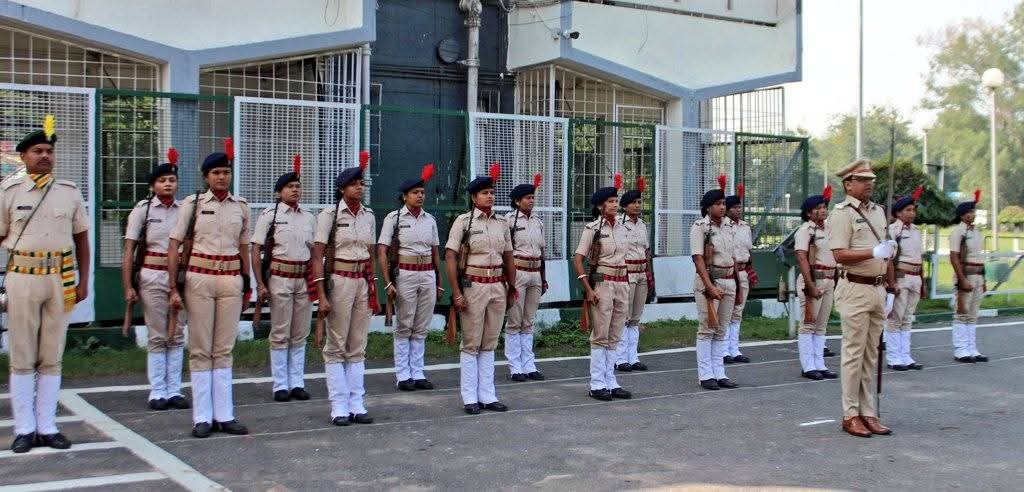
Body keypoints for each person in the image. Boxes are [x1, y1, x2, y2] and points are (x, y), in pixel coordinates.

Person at [2, 116, 90, 453]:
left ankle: (48, 426)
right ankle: (25, 428)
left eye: (49, 151)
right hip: (22, 277)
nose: (44, 156)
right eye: (37, 151)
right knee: (23, 354)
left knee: (52, 355)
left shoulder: (68, 192)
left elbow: (82, 239)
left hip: (60, 278)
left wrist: (83, 282)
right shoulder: (9, 192)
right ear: (23, 157)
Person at [168, 143, 252, 439]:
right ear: (206, 177)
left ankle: (225, 414)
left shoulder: (241, 206)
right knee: (201, 348)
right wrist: (172, 286)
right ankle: (202, 416)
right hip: (199, 278)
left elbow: (244, 246)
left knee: (224, 348)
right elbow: (174, 244)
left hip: (230, 277)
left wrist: (247, 282)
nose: (221, 178)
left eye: (226, 172)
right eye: (216, 173)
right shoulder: (192, 204)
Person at [828, 159, 896, 438]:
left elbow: (888, 252)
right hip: (854, 288)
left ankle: (869, 412)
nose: (869, 183)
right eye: (863, 179)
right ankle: (850, 413)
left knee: (872, 354)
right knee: (853, 354)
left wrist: (890, 286)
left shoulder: (879, 212)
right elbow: (839, 254)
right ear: (848, 184)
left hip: (877, 288)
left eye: (871, 179)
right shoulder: (841, 214)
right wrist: (872, 253)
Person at [445, 165, 516, 414]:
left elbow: (508, 255)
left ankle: (488, 395)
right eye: (485, 193)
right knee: (471, 342)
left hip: (497, 285)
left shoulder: (502, 223)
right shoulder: (463, 222)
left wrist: (512, 286)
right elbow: (451, 256)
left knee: (490, 342)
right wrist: (456, 292)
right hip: (473, 286)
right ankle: (469, 397)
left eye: (492, 192)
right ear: (474, 197)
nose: (490, 196)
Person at [123, 148, 190, 411]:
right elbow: (129, 248)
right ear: (153, 185)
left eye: (172, 180)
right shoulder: (143, 210)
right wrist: (128, 284)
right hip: (152, 274)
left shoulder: (185, 209)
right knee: (157, 334)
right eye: (162, 181)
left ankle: (174, 389)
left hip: (179, 277)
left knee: (177, 332)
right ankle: (158, 391)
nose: (168, 184)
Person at [313, 158, 378, 425]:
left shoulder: (369, 215)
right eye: (354, 184)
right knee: (336, 343)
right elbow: (317, 255)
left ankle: (356, 403)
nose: (359, 188)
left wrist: (373, 284)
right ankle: (338, 405)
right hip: (339, 278)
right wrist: (321, 293)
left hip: (361, 280)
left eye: (361, 183)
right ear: (342, 188)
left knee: (357, 343)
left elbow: (371, 254)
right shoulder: (329, 215)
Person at [251, 156, 317, 402]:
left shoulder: (309, 216)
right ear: (279, 192)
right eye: (290, 187)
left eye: (298, 187)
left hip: (303, 278)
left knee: (300, 331)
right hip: (280, 276)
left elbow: (316, 251)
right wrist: (260, 283)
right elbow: (255, 249)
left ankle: (297, 382)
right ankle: (280, 384)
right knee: (280, 331)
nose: (295, 190)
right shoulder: (270, 215)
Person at [378, 164, 442, 391]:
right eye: (415, 193)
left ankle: (418, 372)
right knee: (404, 324)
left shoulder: (430, 220)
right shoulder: (394, 218)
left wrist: (438, 280)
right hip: (405, 273)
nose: (420, 196)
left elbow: (436, 252)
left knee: (421, 325)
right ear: (405, 196)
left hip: (427, 273)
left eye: (422, 192)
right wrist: (387, 282)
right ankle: (403, 375)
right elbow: (382, 251)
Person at [574, 174, 633, 401]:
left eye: (616, 200)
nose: (615, 204)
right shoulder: (593, 229)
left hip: (622, 283)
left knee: (615, 334)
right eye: (610, 201)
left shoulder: (622, 227)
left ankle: (611, 381)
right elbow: (578, 258)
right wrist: (588, 288)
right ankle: (597, 383)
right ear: (600, 206)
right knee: (600, 334)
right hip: (603, 283)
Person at [690, 176, 739, 390]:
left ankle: (719, 372)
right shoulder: (700, 227)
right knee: (707, 328)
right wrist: (708, 285)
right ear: (708, 207)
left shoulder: (729, 226)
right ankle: (706, 374)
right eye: (718, 204)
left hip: (729, 280)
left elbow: (733, 256)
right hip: (710, 281)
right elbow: (698, 258)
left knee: (722, 329)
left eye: (723, 204)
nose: (722, 207)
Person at [504, 175, 547, 382]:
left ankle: (529, 365)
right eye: (527, 198)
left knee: (528, 321)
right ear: (517, 201)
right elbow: (506, 253)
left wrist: (543, 277)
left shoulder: (538, 222)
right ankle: (515, 366)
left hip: (535, 273)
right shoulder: (509, 221)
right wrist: (508, 280)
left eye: (532, 197)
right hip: (518, 272)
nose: (531, 200)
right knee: (514, 320)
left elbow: (542, 252)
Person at [794, 185, 838, 380]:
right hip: (813, 279)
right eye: (818, 207)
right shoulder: (806, 230)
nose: (823, 210)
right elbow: (802, 258)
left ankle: (819, 363)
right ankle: (808, 365)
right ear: (809, 212)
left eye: (824, 206)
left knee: (821, 325)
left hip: (829, 280)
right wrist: (810, 284)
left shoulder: (829, 229)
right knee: (808, 324)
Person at [615, 177, 653, 372]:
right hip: (627, 272)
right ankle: (620, 358)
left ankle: (633, 356)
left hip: (641, 273)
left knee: (636, 317)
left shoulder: (642, 225)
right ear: (624, 206)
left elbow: (646, 251)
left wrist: (649, 274)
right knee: (624, 315)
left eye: (639, 202)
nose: (638, 206)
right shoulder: (620, 225)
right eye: (633, 203)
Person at [886, 187, 925, 371]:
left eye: (913, 210)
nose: (912, 213)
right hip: (901, 277)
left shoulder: (917, 230)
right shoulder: (894, 231)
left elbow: (920, 258)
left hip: (915, 277)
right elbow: (889, 260)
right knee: (895, 318)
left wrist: (923, 282)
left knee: (908, 318)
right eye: (908, 210)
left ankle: (906, 356)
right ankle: (894, 357)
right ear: (898, 213)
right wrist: (891, 283)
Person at [949, 190, 987, 364]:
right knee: (962, 312)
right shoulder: (958, 232)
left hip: (978, 275)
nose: (972, 215)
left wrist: (984, 280)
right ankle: (961, 349)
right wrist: (961, 279)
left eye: (973, 212)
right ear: (962, 215)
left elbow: (980, 257)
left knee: (973, 314)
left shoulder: (977, 231)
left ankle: (972, 348)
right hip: (966, 275)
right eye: (969, 212)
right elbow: (954, 257)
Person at [723, 186, 752, 365]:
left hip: (742, 271)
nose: (738, 210)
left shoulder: (745, 227)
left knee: (738, 312)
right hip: (728, 273)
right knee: (726, 312)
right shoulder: (724, 227)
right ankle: (724, 349)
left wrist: (750, 271)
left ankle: (735, 348)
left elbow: (748, 250)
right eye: (734, 207)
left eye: (739, 207)